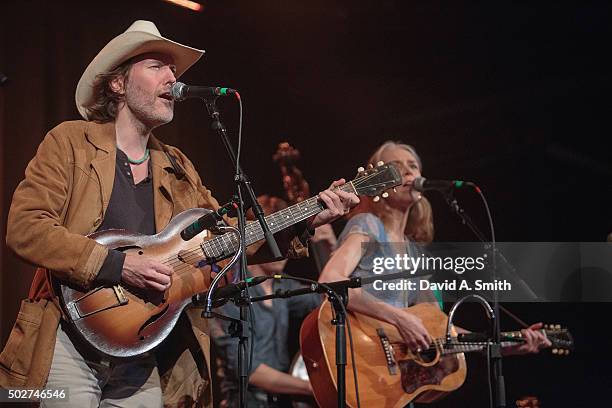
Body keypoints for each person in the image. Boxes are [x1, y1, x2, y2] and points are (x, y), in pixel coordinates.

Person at [0, 21, 358, 408]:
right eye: (157, 66)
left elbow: (231, 243)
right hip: (69, 340)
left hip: (146, 354)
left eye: (174, 70)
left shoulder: (178, 165)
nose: (172, 77)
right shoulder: (71, 142)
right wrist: (118, 265)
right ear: (118, 84)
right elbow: (26, 227)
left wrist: (308, 220)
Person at [318, 141, 551, 405]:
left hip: (395, 382)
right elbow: (331, 281)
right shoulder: (367, 224)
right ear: (380, 181)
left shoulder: (416, 253)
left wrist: (503, 343)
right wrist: (399, 319)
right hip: (362, 360)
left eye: (413, 167)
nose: (408, 173)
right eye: (396, 167)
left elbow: (438, 332)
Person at [212, 195, 330, 408]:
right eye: (278, 238)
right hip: (245, 402)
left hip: (282, 401)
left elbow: (327, 298)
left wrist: (329, 244)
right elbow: (248, 369)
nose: (285, 248)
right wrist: (312, 387)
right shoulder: (231, 290)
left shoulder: (281, 286)